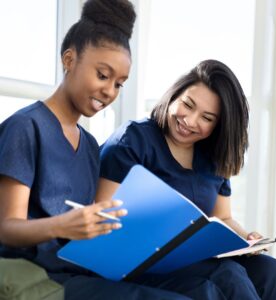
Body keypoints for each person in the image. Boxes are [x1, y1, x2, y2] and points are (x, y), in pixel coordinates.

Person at [0, 1, 201, 299]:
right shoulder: (24, 128)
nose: (110, 91)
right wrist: (63, 226)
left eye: (120, 84)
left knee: (201, 288)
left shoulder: (90, 146)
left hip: (76, 271)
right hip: (27, 273)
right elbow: (6, 228)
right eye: (103, 75)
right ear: (69, 59)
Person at [97, 59, 276, 299]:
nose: (189, 121)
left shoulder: (213, 157)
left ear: (220, 126)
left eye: (207, 118)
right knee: (226, 277)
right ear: (175, 95)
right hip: (138, 260)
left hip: (192, 259)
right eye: (187, 105)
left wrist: (247, 239)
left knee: (272, 271)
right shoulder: (134, 139)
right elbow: (101, 215)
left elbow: (223, 217)